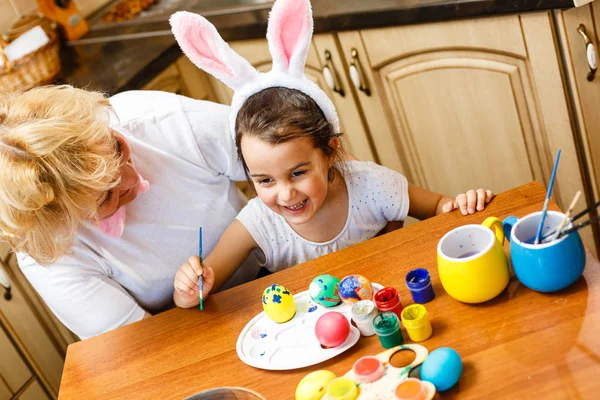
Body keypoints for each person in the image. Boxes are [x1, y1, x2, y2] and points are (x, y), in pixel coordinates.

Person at [168, 0, 495, 309]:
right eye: (264, 180)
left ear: (329, 151)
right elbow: (199, 291)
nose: (285, 193)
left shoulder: (372, 185)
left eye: (297, 173)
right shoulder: (260, 222)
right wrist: (189, 288)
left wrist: (461, 205)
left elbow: (441, 208)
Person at [0, 85, 260, 339]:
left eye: (117, 147)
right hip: (193, 338)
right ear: (64, 220)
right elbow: (144, 349)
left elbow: (283, 163)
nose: (132, 178)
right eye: (106, 196)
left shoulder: (155, 120)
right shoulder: (51, 254)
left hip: (274, 264)